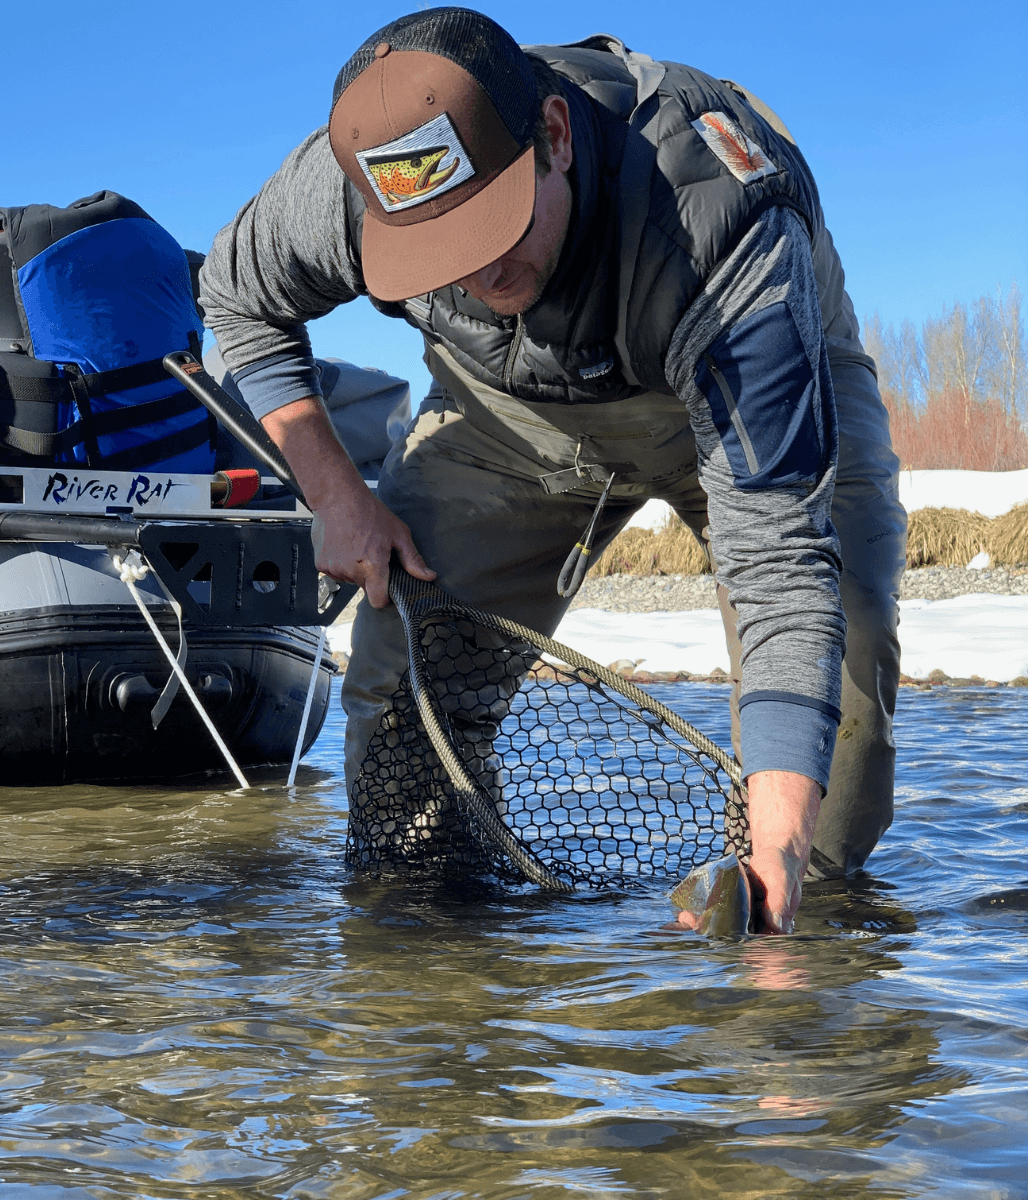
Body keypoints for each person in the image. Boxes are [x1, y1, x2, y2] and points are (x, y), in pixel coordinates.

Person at [199, 7, 906, 933]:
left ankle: (807, 943)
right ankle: (418, 984)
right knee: (404, 674)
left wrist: (777, 848)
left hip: (740, 377)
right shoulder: (341, 189)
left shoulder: (720, 216)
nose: (478, 275)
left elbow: (778, 557)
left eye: (494, 228)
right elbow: (236, 298)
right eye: (436, 257)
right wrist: (335, 494)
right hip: (507, 416)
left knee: (839, 692)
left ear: (557, 138)